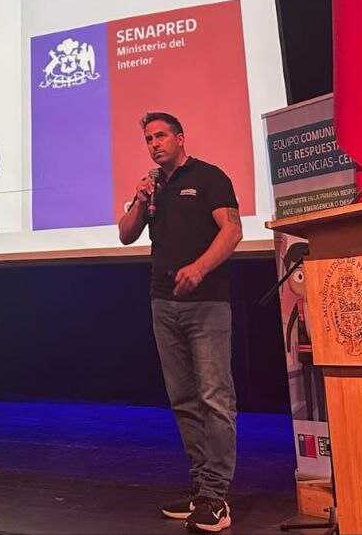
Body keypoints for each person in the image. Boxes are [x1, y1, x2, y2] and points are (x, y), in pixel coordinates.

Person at [118, 111, 242, 533]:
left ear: (180, 137)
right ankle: (201, 489)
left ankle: (216, 498)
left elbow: (232, 231)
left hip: (206, 304)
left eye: (161, 136)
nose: (154, 144)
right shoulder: (152, 187)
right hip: (163, 303)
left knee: (214, 398)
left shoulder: (209, 177)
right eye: (148, 139)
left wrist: (200, 268)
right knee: (184, 400)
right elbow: (125, 234)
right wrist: (139, 199)